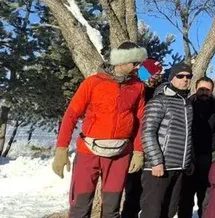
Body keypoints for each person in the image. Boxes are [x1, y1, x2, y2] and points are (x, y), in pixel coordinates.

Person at [53, 42, 147, 218]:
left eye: (139, 63)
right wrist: (61, 149)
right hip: (88, 151)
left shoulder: (138, 86)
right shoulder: (93, 82)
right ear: (121, 61)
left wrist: (138, 151)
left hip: (120, 153)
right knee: (80, 207)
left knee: (112, 209)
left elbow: (140, 121)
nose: (138, 67)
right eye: (134, 63)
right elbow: (71, 115)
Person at [141, 62, 194, 218]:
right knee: (152, 212)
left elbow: (188, 135)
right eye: (180, 76)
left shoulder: (187, 104)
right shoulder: (159, 101)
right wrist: (156, 161)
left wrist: (188, 161)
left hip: (179, 167)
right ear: (171, 78)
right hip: (159, 167)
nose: (185, 79)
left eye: (188, 76)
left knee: (169, 212)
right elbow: (147, 132)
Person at [179, 76, 215, 218]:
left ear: (212, 91)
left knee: (207, 195)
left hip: (211, 156)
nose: (204, 92)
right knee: (186, 195)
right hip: (190, 156)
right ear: (195, 89)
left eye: (207, 90)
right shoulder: (186, 106)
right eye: (201, 89)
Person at [122, 57, 165, 218]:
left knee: (149, 197)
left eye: (158, 75)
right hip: (133, 147)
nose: (156, 78)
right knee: (132, 193)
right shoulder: (134, 89)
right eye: (154, 74)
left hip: (152, 149)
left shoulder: (158, 92)